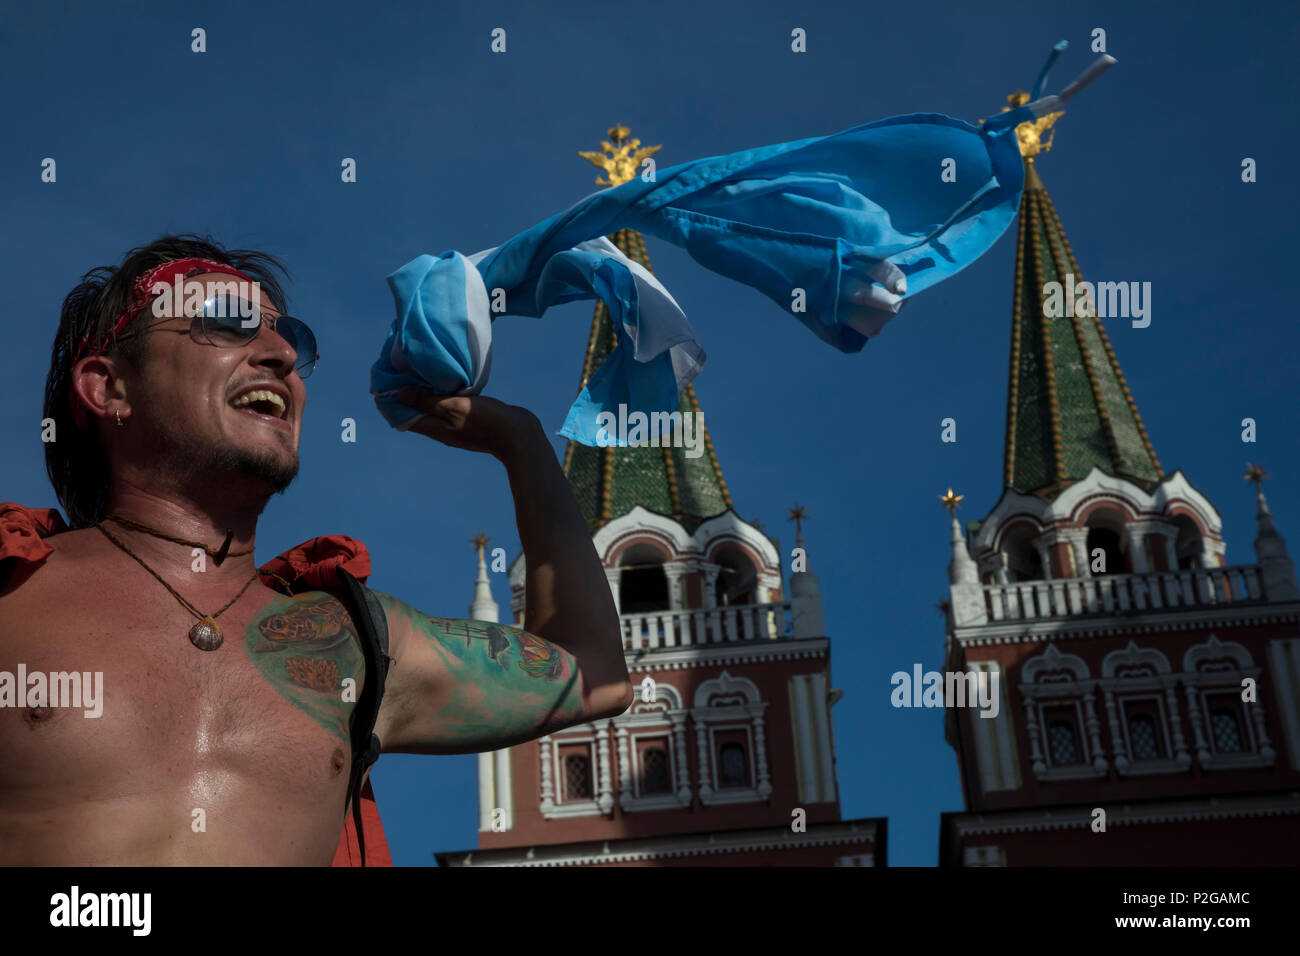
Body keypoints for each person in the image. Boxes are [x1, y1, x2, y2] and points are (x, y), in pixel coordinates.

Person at [0, 235, 632, 865]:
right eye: (226, 322)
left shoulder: (356, 640)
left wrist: (522, 444)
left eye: (290, 339)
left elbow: (594, 673)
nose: (280, 354)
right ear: (108, 389)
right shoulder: (14, 595)